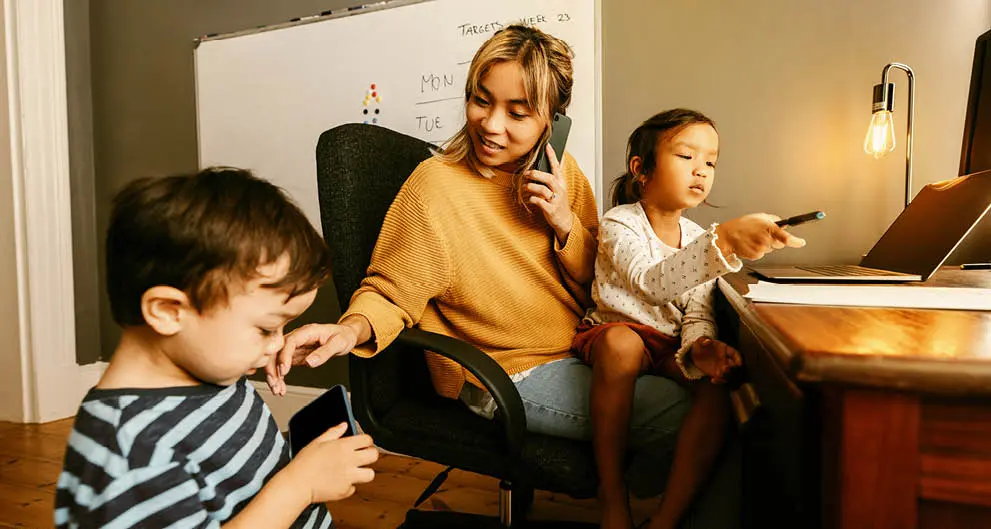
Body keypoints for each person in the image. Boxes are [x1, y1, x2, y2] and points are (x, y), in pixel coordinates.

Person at [267, 26, 802, 529]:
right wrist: (348, 329)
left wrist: (566, 224)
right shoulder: (436, 187)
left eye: (518, 112)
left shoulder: (562, 175)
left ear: (552, 120)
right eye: (482, 100)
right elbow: (390, 289)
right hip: (504, 371)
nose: (491, 124)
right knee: (718, 422)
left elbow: (603, 283)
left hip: (574, 351)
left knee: (727, 394)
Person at [54, 168, 378, 528]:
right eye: (267, 328)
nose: (277, 343)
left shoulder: (214, 374)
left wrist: (310, 459)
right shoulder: (129, 450)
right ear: (168, 311)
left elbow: (230, 476)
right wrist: (299, 486)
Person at [575, 109, 805, 529]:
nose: (701, 170)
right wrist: (726, 241)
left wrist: (701, 347)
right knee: (621, 344)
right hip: (616, 330)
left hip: (667, 344)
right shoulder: (619, 223)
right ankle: (611, 494)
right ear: (641, 170)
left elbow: (697, 311)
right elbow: (649, 283)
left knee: (720, 392)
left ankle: (667, 519)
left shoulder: (701, 238)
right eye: (686, 157)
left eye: (711, 162)